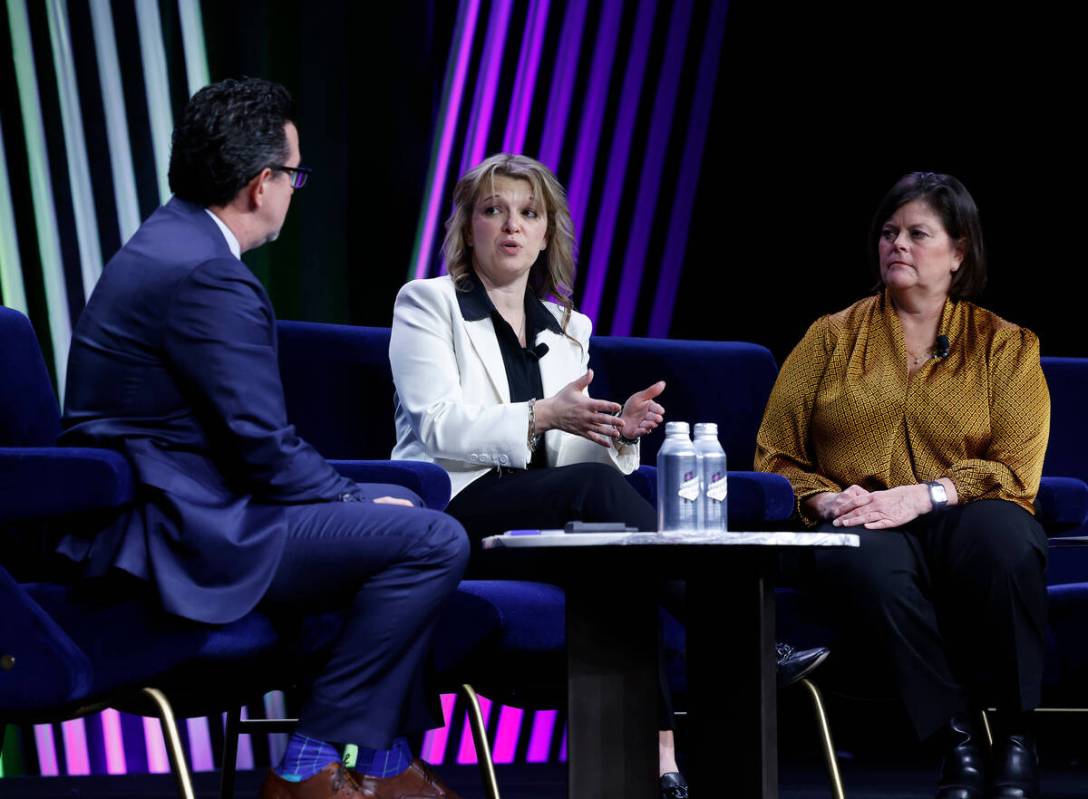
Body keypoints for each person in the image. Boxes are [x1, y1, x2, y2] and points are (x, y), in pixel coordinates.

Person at [58, 78, 469, 799]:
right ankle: (307, 764)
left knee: (398, 506)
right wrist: (351, 498)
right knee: (431, 539)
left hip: (190, 503)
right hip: (178, 529)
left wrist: (363, 502)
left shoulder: (172, 242)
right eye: (293, 173)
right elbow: (263, 446)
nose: (293, 190)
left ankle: (379, 759)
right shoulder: (207, 274)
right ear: (260, 184)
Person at [390, 152, 827, 799]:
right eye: (494, 210)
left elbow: (571, 463)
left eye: (528, 213)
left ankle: (660, 762)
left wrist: (615, 433)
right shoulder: (429, 304)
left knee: (621, 566)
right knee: (599, 508)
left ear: (546, 233)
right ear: (468, 226)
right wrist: (544, 413)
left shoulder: (569, 329)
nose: (511, 225)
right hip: (453, 509)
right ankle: (739, 637)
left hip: (540, 511)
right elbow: (439, 424)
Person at [756, 172, 1049, 799]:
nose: (898, 245)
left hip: (964, 511)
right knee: (867, 558)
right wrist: (825, 499)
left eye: (918, 233)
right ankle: (956, 740)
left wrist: (927, 493)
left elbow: (1017, 469)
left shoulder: (1006, 346)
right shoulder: (831, 337)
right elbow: (774, 455)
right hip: (860, 513)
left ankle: (1018, 737)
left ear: (959, 252)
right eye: (889, 233)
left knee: (1009, 540)